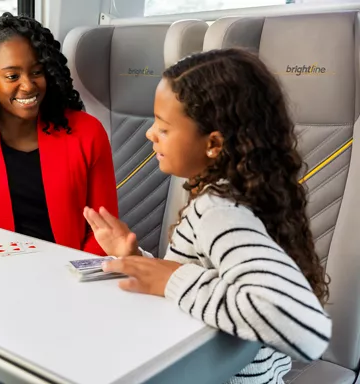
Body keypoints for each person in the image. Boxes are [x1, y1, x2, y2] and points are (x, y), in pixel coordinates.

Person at [83, 48, 332, 383]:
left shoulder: (217, 210)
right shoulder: (240, 194)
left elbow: (307, 328)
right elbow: (210, 277)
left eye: (164, 127)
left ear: (213, 143)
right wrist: (134, 258)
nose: (149, 133)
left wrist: (172, 280)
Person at [0, 12, 118, 256]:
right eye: (12, 76)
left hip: (76, 276)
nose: (28, 85)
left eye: (36, 72)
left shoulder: (87, 133)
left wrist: (74, 279)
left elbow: (104, 233)